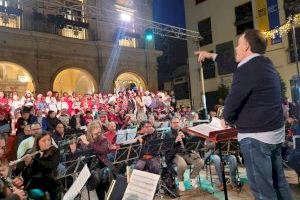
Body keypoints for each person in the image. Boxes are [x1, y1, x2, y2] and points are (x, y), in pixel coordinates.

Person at [195, 29, 293, 200]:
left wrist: (226, 119)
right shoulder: (264, 63)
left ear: (247, 46)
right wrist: (211, 55)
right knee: (279, 183)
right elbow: (235, 66)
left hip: (257, 138)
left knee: (263, 191)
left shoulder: (247, 70)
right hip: (274, 135)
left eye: (238, 44)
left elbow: (232, 102)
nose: (236, 48)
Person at [164, 117, 204, 192]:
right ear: (171, 124)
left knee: (200, 162)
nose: (176, 124)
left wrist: (185, 137)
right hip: (175, 154)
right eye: (174, 123)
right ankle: (180, 181)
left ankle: (192, 177)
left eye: (177, 122)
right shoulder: (167, 133)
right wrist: (175, 141)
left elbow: (191, 143)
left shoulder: (183, 131)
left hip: (186, 152)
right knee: (182, 165)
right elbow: (166, 148)